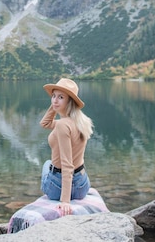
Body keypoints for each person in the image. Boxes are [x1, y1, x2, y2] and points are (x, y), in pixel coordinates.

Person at [39, 77, 94, 217]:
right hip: (82, 185)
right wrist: (57, 105)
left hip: (58, 187)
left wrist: (65, 201)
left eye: (61, 97)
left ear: (70, 101)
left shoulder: (63, 125)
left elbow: (67, 164)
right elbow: (45, 123)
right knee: (53, 164)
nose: (55, 100)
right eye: (53, 96)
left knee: (47, 164)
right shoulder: (82, 121)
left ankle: (65, 195)